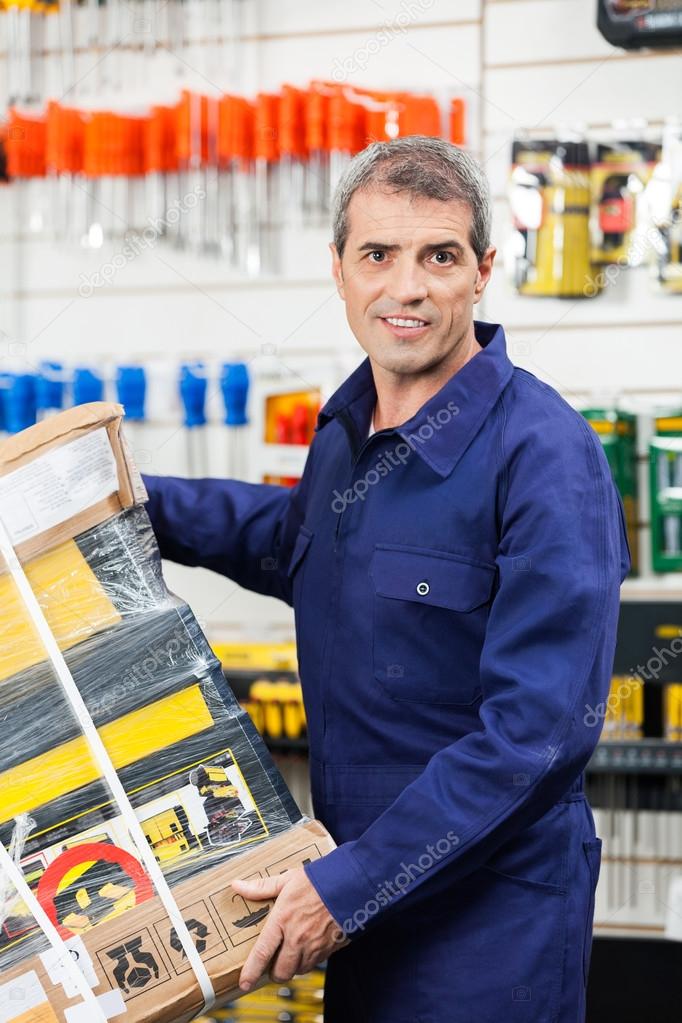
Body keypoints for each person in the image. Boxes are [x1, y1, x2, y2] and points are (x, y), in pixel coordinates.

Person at [143, 136, 630, 1023]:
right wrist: (125, 499)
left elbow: (536, 735)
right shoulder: (348, 430)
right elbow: (291, 543)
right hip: (360, 917)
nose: (407, 288)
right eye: (378, 255)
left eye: (438, 256)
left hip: (489, 939)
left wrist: (348, 885)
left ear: (483, 269)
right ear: (339, 270)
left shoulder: (547, 456)